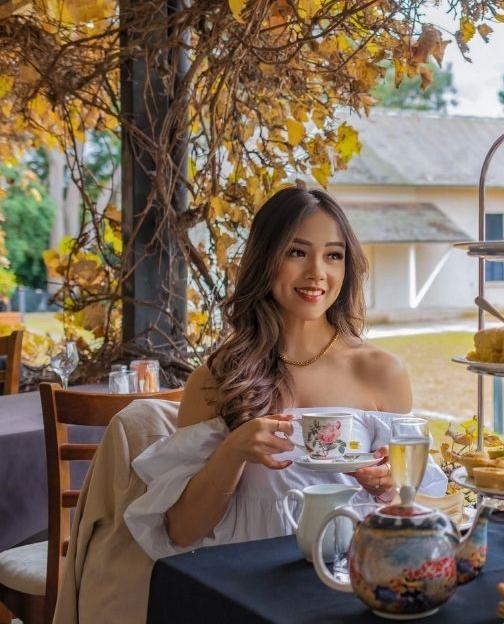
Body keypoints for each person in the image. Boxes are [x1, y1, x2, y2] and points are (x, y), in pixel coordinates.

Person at [124, 182, 447, 560]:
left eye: (333, 256)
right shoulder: (218, 380)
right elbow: (181, 532)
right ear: (265, 259)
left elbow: (410, 511)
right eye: (297, 252)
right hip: (249, 589)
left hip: (354, 580)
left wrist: (389, 485)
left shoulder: (382, 372)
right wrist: (234, 451)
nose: (317, 272)